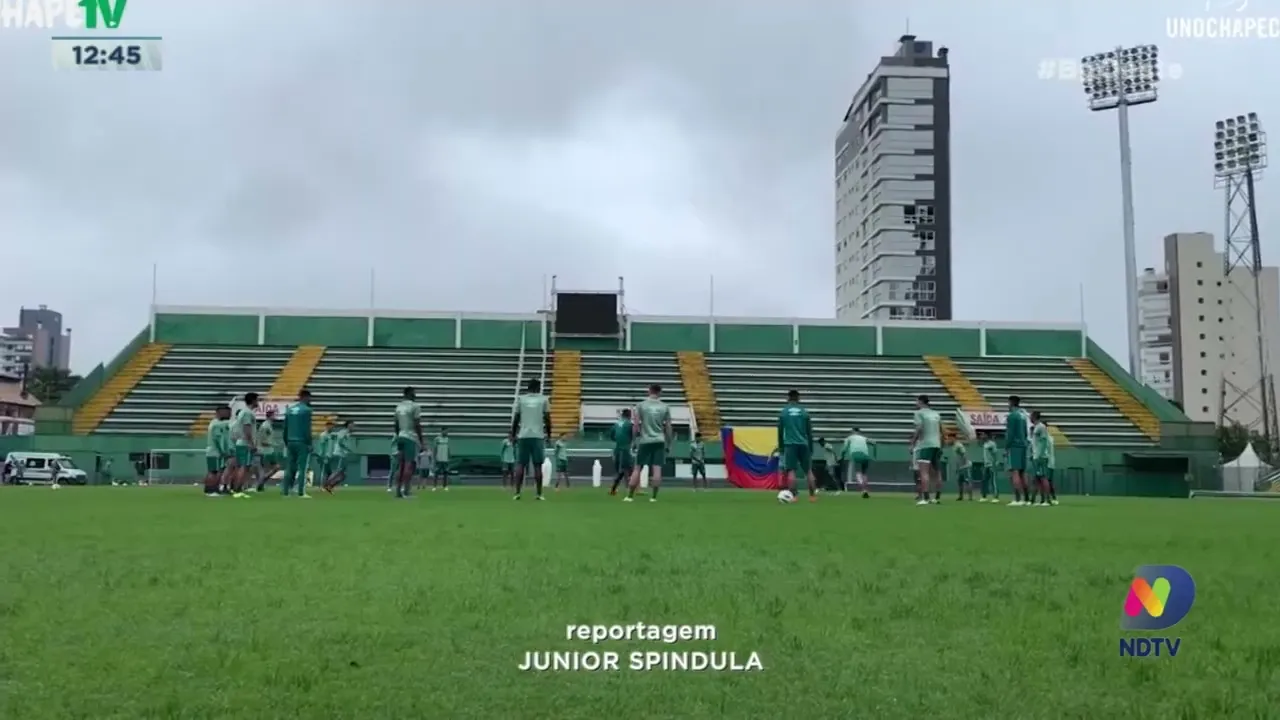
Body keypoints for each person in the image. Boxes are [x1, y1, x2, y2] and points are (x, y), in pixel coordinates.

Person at [626, 384, 672, 503]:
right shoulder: (665, 407)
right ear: (660, 392)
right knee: (657, 468)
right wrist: (669, 442)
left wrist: (633, 441)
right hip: (659, 440)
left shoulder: (641, 405)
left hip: (645, 440)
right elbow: (668, 426)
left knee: (637, 468)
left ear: (649, 391)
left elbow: (636, 425)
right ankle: (654, 497)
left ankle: (630, 496)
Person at [511, 378, 551, 500]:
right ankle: (539, 493)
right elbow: (547, 418)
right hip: (537, 436)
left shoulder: (521, 399)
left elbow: (516, 418)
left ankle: (517, 493)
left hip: (523, 435)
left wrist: (513, 434)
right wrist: (549, 434)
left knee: (521, 464)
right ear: (538, 388)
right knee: (538, 465)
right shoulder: (544, 399)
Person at [775, 389, 816, 503]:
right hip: (804, 444)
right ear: (798, 398)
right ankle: (812, 496)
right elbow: (809, 432)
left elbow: (780, 431)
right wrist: (811, 447)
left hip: (790, 444)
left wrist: (781, 447)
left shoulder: (784, 412)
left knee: (791, 470)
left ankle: (794, 496)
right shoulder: (804, 412)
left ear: (788, 398)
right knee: (808, 471)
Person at [910, 394, 943, 505]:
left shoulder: (919, 413)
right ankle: (937, 497)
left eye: (916, 401)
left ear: (920, 401)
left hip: (925, 445)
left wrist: (912, 442)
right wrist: (941, 444)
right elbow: (941, 430)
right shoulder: (936, 414)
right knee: (937, 472)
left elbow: (919, 428)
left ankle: (925, 498)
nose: (916, 403)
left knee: (924, 472)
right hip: (937, 444)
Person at [281, 389, 314, 497]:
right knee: (302, 468)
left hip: (290, 441)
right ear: (306, 397)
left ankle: (285, 491)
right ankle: (301, 491)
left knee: (289, 467)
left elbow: (285, 427)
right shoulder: (307, 410)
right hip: (302, 442)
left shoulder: (289, 410)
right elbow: (306, 428)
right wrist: (309, 443)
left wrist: (286, 440)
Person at [393, 387, 424, 499]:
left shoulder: (398, 407)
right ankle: (405, 491)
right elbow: (417, 424)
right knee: (408, 465)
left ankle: (398, 491)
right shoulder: (415, 406)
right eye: (414, 393)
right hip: (410, 437)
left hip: (400, 436)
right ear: (409, 394)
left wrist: (397, 436)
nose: (415, 395)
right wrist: (422, 441)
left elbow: (396, 425)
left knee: (400, 465)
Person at [229, 393, 260, 499]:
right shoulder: (247, 413)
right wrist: (252, 444)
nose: (258, 402)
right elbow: (247, 429)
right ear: (253, 401)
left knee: (241, 467)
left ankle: (235, 488)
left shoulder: (244, 412)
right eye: (257, 400)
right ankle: (238, 489)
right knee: (244, 467)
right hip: (245, 444)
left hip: (241, 443)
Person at [1004, 396, 1031, 506]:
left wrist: (1007, 447)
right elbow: (1025, 432)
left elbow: (1010, 434)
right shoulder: (1023, 416)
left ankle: (1017, 499)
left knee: (1014, 471)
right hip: (1024, 445)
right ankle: (1027, 499)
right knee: (1023, 472)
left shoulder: (1012, 416)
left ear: (1011, 403)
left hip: (1015, 446)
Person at [203, 405, 231, 497]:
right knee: (214, 471)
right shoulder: (217, 425)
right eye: (226, 412)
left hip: (211, 451)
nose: (228, 414)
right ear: (219, 412)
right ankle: (213, 490)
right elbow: (217, 439)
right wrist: (222, 451)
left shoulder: (213, 423)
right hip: (215, 452)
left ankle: (208, 489)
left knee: (212, 471)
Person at [839, 426, 874, 498]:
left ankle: (863, 490)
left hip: (856, 455)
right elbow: (874, 443)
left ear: (854, 431)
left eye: (851, 431)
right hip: (866, 456)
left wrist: (841, 457)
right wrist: (875, 456)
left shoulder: (849, 438)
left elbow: (844, 449)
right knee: (864, 473)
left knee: (858, 472)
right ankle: (866, 490)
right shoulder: (864, 438)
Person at [322, 419, 354, 494]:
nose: (353, 426)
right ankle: (326, 485)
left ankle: (330, 486)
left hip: (343, 454)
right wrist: (347, 448)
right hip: (340, 454)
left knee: (343, 474)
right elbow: (340, 441)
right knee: (338, 471)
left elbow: (335, 436)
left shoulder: (346, 433)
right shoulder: (343, 432)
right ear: (348, 425)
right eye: (352, 424)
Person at [609, 409, 635, 496]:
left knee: (621, 471)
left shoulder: (616, 424)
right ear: (629, 415)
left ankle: (614, 489)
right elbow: (635, 434)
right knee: (629, 470)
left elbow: (612, 436)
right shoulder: (629, 425)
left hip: (617, 449)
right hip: (625, 449)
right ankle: (629, 489)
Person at [1030, 411, 1053, 507]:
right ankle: (1041, 500)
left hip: (1040, 457)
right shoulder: (1037, 427)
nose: (1030, 418)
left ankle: (1047, 500)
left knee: (1043, 478)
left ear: (1035, 417)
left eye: (1031, 416)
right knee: (1038, 479)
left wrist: (1039, 454)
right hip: (1037, 456)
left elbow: (1043, 442)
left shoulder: (1041, 427)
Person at [255, 408, 281, 492]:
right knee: (272, 467)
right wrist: (272, 444)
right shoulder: (265, 426)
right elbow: (262, 440)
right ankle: (261, 483)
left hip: (269, 450)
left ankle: (261, 483)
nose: (275, 416)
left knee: (274, 468)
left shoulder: (268, 425)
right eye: (274, 415)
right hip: (266, 451)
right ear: (270, 416)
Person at [312, 422, 334, 492]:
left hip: (329, 456)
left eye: (332, 427)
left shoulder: (330, 435)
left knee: (329, 472)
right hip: (324, 456)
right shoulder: (323, 435)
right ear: (327, 427)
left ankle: (326, 486)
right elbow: (321, 446)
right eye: (330, 426)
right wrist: (322, 456)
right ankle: (321, 486)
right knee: (324, 472)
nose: (332, 428)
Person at [980, 432, 1001, 502]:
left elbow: (995, 453)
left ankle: (996, 497)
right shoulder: (984, 444)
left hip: (992, 465)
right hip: (986, 465)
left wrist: (995, 462)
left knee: (993, 481)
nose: (981, 436)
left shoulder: (992, 444)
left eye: (983, 434)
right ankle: (984, 496)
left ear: (986, 435)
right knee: (984, 480)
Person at [953, 435, 974, 501]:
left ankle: (970, 497)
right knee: (960, 482)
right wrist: (958, 468)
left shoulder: (959, 445)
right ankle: (961, 496)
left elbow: (964, 455)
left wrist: (964, 466)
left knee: (967, 481)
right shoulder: (955, 446)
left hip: (964, 467)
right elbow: (957, 458)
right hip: (960, 467)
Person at [1045, 427, 1059, 505]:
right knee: (1049, 481)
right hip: (1051, 462)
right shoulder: (1050, 438)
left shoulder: (1047, 439)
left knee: (1047, 481)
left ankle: (1050, 498)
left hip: (1048, 462)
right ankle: (1052, 498)